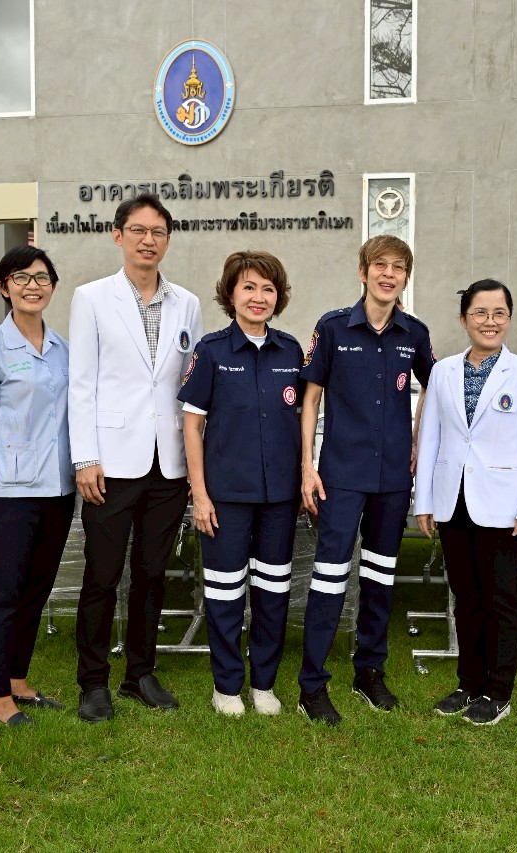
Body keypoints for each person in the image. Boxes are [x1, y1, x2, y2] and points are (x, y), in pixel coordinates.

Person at [68, 193, 203, 722]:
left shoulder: (186, 303)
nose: (149, 240)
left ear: (168, 240)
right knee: (102, 576)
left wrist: (193, 464)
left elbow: (189, 386)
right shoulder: (91, 298)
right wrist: (85, 457)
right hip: (110, 464)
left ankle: (140, 674)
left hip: (168, 464)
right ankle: (93, 681)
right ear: (118, 235)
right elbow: (82, 383)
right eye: (139, 230)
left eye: (158, 232)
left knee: (152, 574)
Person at [296, 235, 435, 725]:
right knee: (329, 579)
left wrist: (417, 441)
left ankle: (369, 672)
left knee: (379, 577)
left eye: (398, 267)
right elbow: (310, 398)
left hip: (393, 477)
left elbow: (434, 389)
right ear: (363, 272)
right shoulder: (333, 327)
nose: (388, 274)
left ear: (406, 277)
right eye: (380, 264)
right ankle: (312, 685)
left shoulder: (414, 333)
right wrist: (307, 465)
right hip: (341, 476)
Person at [414, 279, 517, 726]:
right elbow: (430, 438)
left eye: (499, 313)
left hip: (505, 507)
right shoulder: (443, 371)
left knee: (501, 598)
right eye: (480, 312)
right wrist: (424, 501)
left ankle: (498, 690)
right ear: (464, 319)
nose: (489, 321)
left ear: (509, 319)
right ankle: (468, 683)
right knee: (466, 597)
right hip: (453, 502)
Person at [178, 251, 303, 717]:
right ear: (231, 293)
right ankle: (227, 686)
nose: (258, 297)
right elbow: (192, 425)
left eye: (268, 289)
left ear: (278, 297)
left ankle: (263, 685)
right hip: (225, 497)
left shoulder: (291, 351)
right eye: (249, 287)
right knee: (225, 593)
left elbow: (302, 419)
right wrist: (200, 493)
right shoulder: (211, 351)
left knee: (272, 594)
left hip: (279, 498)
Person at [0, 246, 74, 727]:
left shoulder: (63, 349)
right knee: (2, 594)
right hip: (8, 493)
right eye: (21, 277)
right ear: (4, 287)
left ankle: (18, 679)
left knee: (36, 590)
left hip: (58, 489)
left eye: (42, 277)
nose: (32, 286)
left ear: (53, 286)